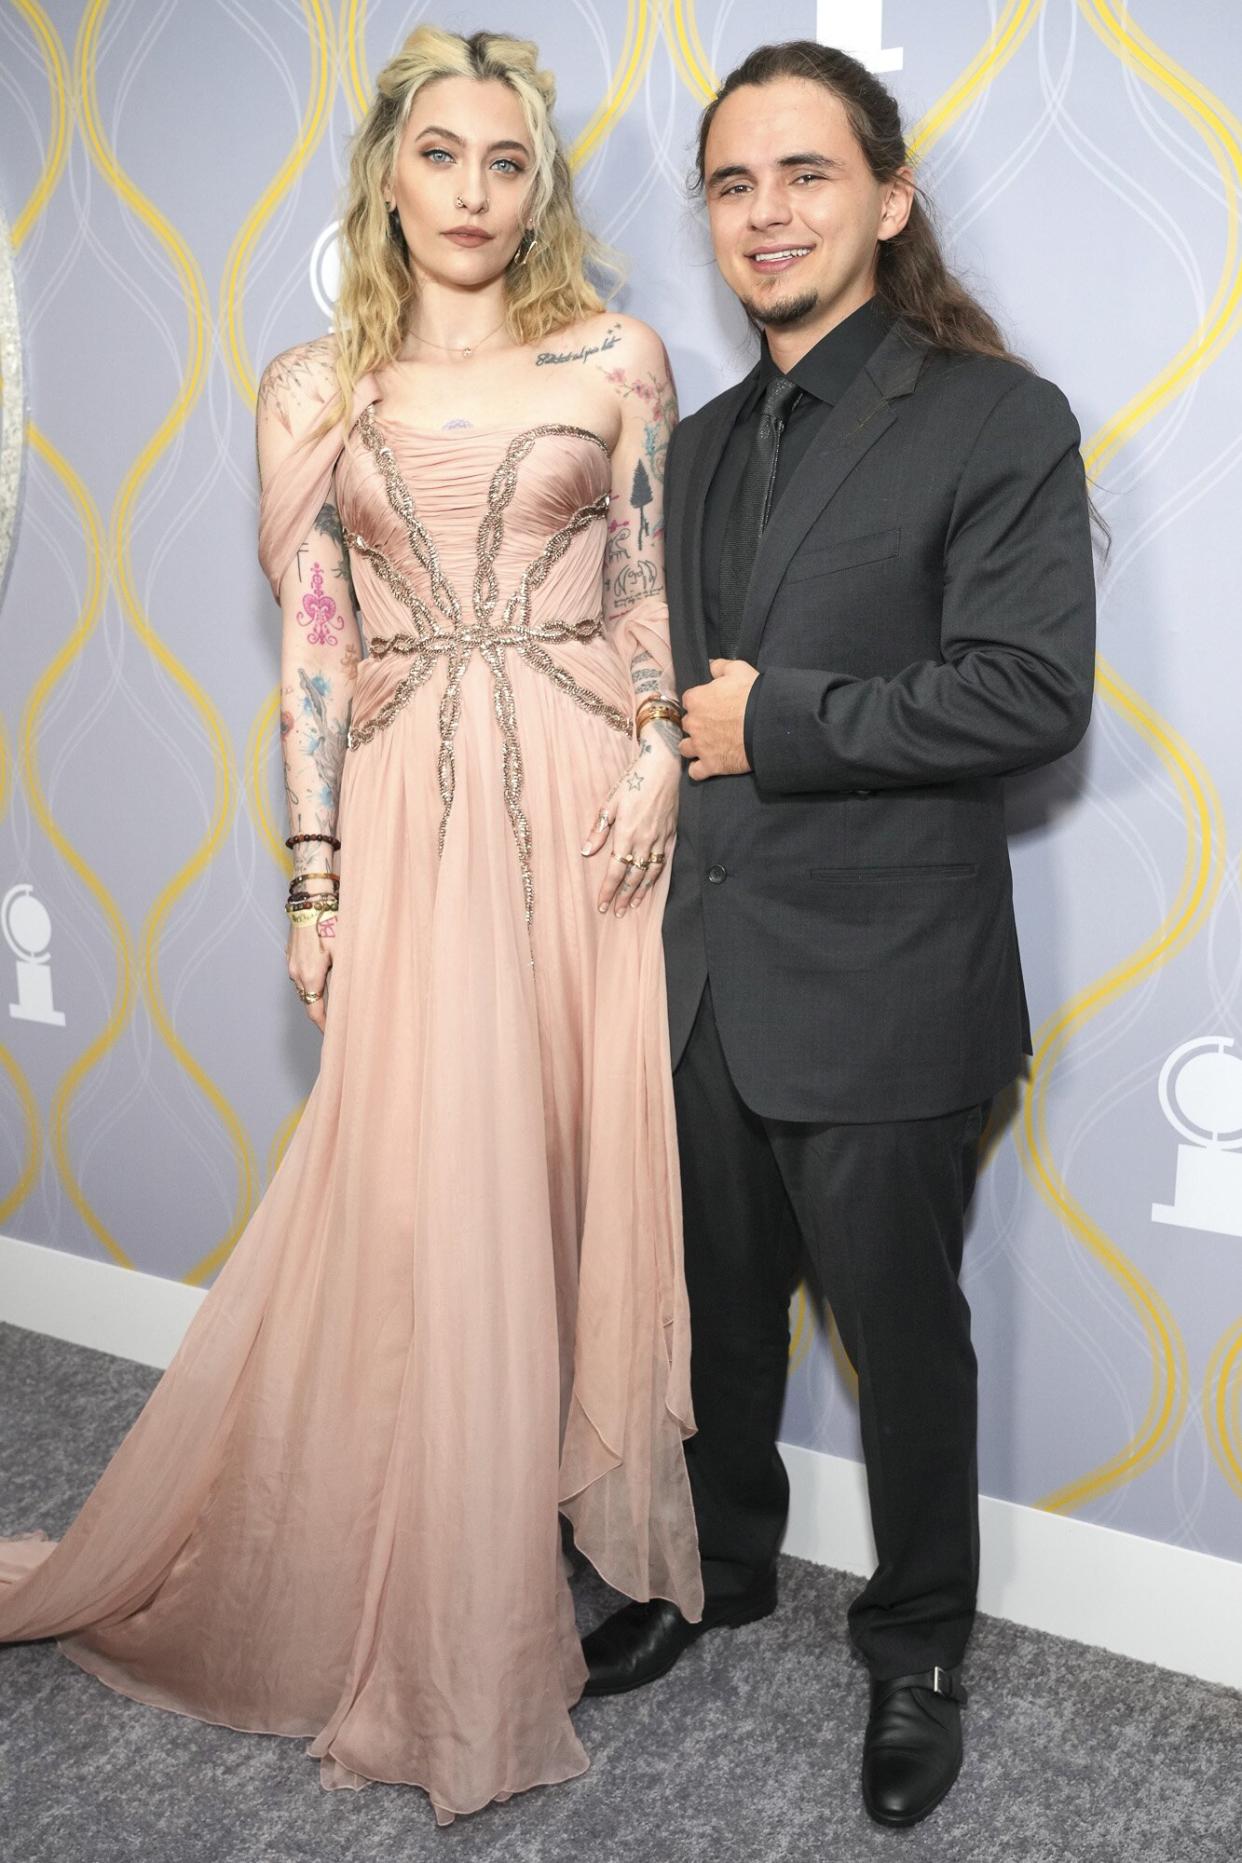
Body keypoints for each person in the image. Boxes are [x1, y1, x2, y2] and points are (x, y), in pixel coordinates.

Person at [0, 26, 702, 1824]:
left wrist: (658, 757)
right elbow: (316, 646)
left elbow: (642, 589)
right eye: (442, 156)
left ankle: (526, 1521)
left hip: (586, 808)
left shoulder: (617, 355)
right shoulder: (318, 386)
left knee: (558, 1168)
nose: (475, 194)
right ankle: (441, 1604)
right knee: (425, 1187)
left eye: (508, 163)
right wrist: (313, 876)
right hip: (407, 810)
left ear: (536, 186)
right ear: (387, 174)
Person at [581, 39, 1096, 1830]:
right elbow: (672, 707)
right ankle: (721, 1571)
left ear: (884, 197)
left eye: (803, 174)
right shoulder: (702, 444)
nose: (765, 213)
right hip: (704, 974)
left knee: (901, 1339)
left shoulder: (992, 414)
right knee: (715, 1325)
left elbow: (1031, 695)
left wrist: (774, 722)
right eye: (732, 184)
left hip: (888, 985)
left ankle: (916, 1649)